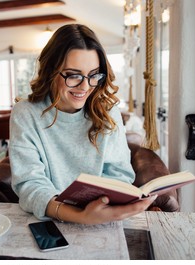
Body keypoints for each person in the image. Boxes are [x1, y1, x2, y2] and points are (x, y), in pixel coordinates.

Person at [9, 24, 157, 225]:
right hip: (51, 221)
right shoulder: (26, 113)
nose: (85, 86)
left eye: (94, 74)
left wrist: (104, 207)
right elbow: (30, 184)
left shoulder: (108, 112)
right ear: (51, 70)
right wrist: (80, 216)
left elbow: (119, 174)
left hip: (101, 218)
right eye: (73, 75)